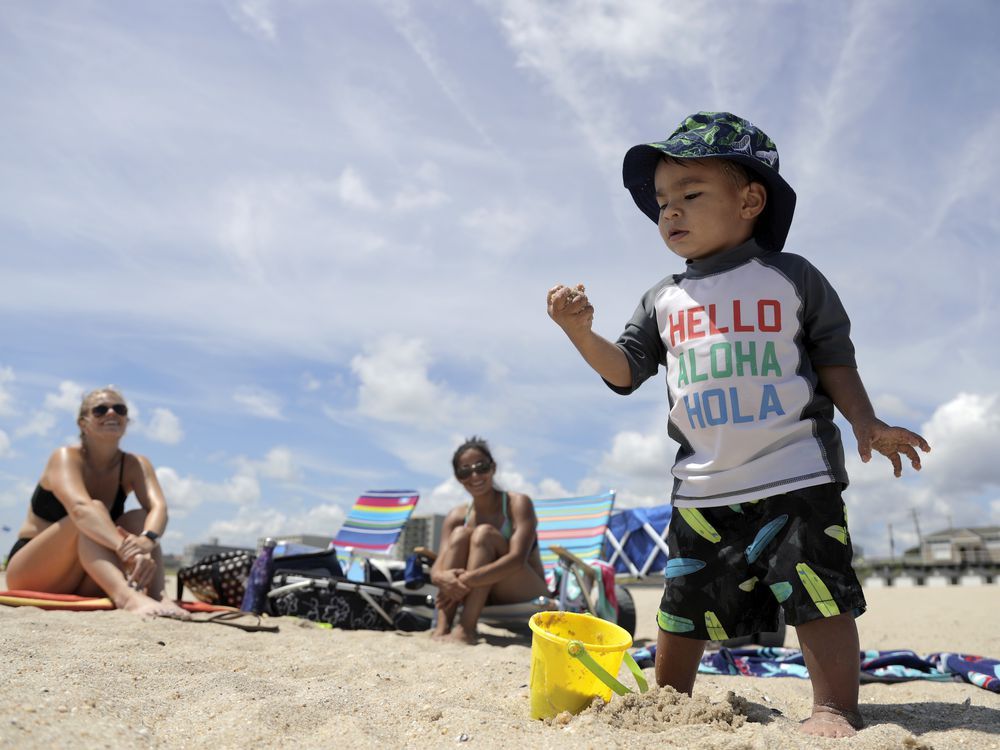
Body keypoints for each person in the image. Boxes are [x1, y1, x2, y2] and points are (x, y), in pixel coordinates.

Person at [547, 112, 930, 738]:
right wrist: (580, 332)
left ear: (751, 199)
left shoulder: (792, 276)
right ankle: (669, 700)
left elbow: (834, 358)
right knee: (683, 604)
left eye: (690, 194)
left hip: (796, 471)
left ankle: (834, 706)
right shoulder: (662, 298)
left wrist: (866, 422)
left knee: (819, 595)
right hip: (702, 484)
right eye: (662, 201)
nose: (670, 212)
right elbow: (623, 372)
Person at [5, 386, 188, 618]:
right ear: (83, 423)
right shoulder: (65, 457)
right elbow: (80, 510)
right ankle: (127, 597)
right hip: (33, 572)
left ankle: (159, 595)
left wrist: (146, 541)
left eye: (119, 409)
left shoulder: (135, 465)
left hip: (90, 572)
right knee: (93, 512)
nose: (112, 413)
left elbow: (158, 507)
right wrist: (128, 550)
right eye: (101, 410)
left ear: (127, 419)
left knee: (140, 519)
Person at [430, 437, 549, 644]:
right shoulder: (456, 516)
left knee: (483, 533)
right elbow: (437, 567)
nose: (474, 475)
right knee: (460, 534)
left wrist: (465, 580)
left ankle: (466, 628)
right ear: (458, 478)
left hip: (520, 588)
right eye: (465, 471)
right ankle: (442, 627)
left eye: (481, 467)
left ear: (493, 468)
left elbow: (517, 559)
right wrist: (443, 579)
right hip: (479, 591)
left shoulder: (517, 504)